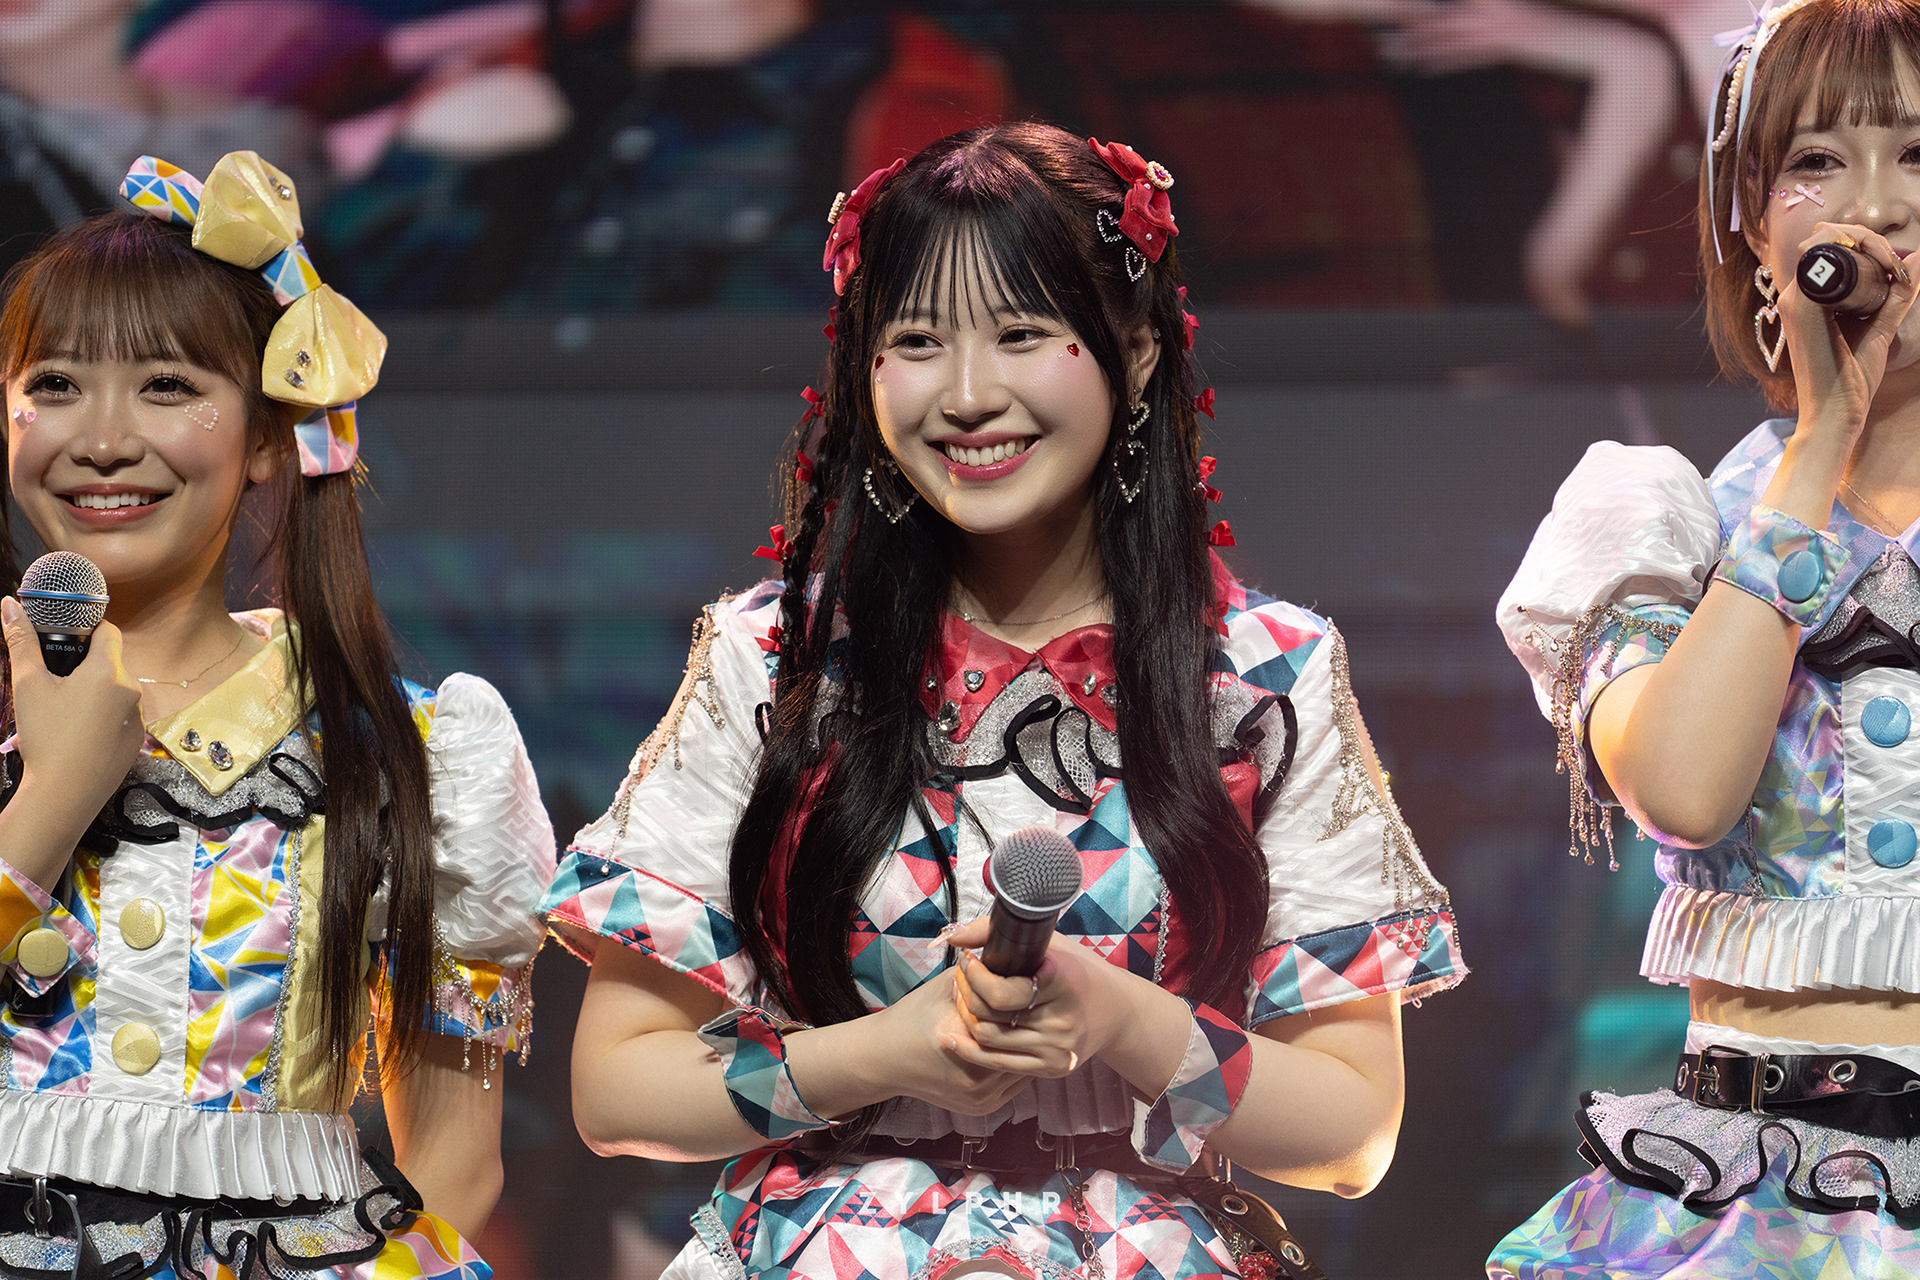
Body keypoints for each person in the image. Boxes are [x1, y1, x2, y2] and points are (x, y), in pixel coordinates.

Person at [544, 121, 1466, 1280]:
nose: (970, 395)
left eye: (1022, 335)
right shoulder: (774, 658)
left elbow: (1352, 1131)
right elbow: (617, 1088)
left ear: (1137, 353)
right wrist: (883, 1052)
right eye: (917, 341)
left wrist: (1120, 1019)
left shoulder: (1261, 675)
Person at [0, 152, 553, 1277]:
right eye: (55, 384)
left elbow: (453, 1164)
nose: (101, 438)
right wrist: (50, 798)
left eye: (167, 386)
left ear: (265, 436)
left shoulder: (408, 751)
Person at [1491, 0, 1920, 1272]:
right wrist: (1818, 449)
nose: (1877, 206)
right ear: (1750, 218)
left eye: (1919, 154)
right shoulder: (1662, 518)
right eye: (1817, 161)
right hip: (1752, 1204)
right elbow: (1682, 788)